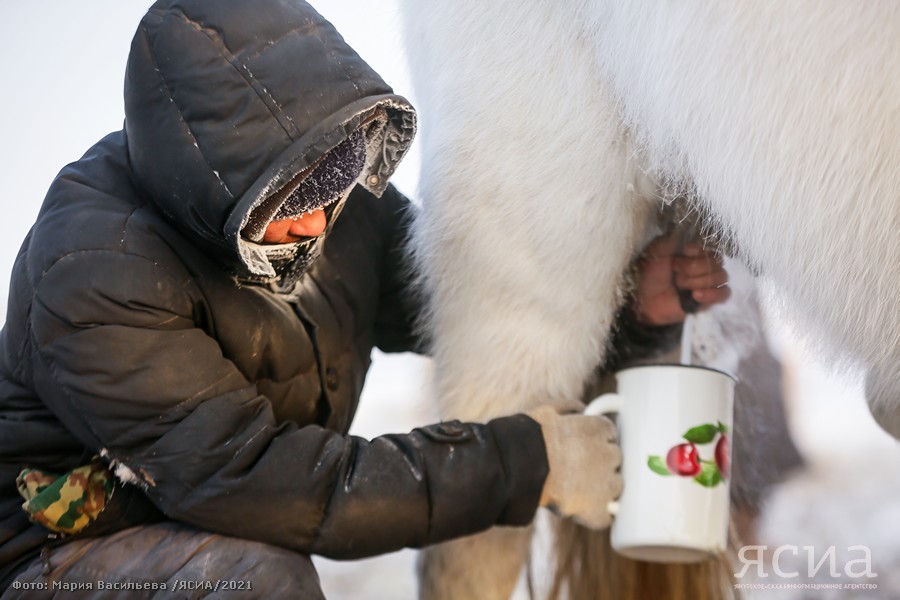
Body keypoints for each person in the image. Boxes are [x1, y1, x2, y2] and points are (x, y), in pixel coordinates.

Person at [0, 0, 730, 596]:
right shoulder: (93, 275)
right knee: (257, 582)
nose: (324, 213)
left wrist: (634, 306)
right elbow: (259, 481)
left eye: (341, 166)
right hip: (58, 555)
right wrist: (528, 461)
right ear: (215, 177)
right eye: (298, 190)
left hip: (201, 525)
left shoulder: (331, 209)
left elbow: (462, 313)